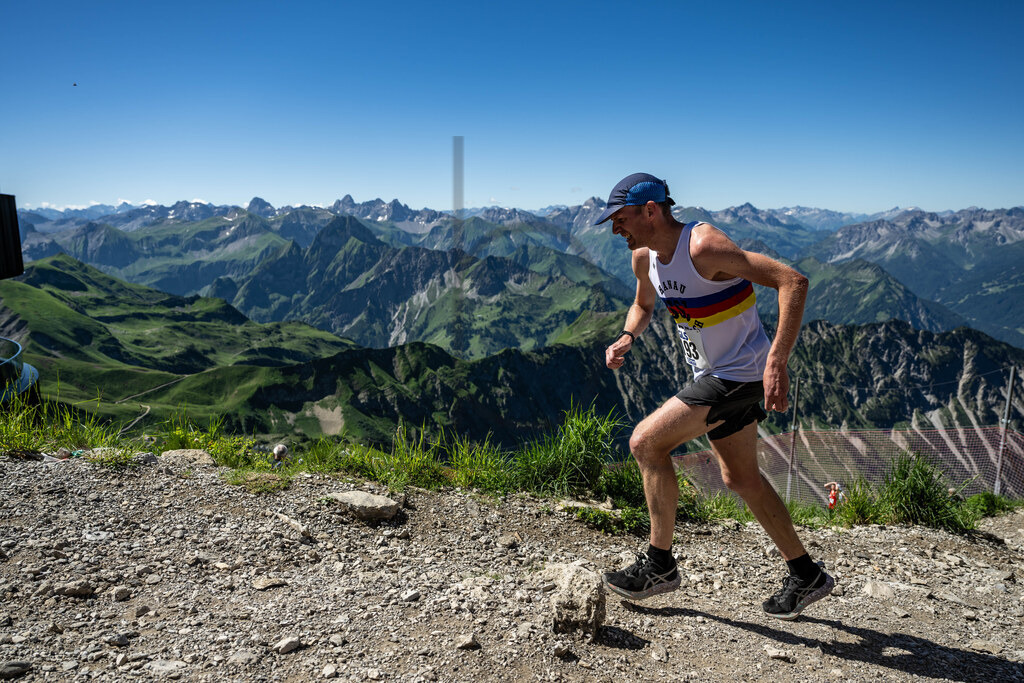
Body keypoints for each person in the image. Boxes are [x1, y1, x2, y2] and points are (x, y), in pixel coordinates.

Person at [596, 173, 834, 620]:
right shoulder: (644, 259)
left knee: (645, 442)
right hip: (716, 374)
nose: (615, 230)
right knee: (741, 479)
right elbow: (644, 306)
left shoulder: (702, 246)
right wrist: (629, 334)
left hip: (739, 375)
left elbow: (792, 281)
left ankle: (659, 565)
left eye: (621, 218)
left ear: (651, 211)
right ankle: (807, 574)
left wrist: (776, 361)